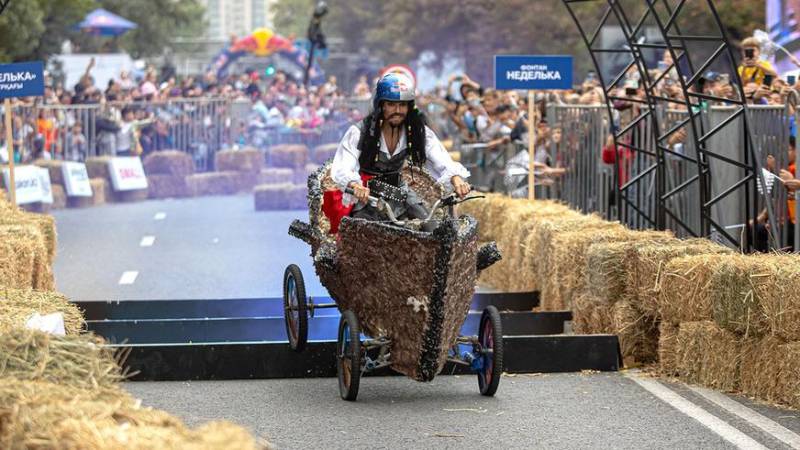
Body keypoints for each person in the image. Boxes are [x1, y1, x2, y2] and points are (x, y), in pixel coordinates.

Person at [327, 72, 470, 231]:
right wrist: (355, 185)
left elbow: (440, 157)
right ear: (380, 105)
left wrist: (456, 179)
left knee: (434, 231)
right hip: (368, 198)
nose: (398, 110)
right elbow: (343, 166)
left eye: (403, 105)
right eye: (391, 104)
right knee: (359, 238)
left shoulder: (417, 131)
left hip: (401, 194)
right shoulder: (360, 131)